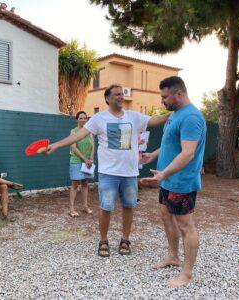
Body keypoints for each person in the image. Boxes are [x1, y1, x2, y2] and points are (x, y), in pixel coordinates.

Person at [46, 84, 169, 257]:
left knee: (129, 207)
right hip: (108, 173)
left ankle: (125, 239)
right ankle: (103, 241)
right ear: (107, 98)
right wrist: (57, 144)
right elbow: (78, 135)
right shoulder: (99, 118)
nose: (121, 97)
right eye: (117, 94)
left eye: (122, 94)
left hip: (130, 173)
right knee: (106, 207)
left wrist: (173, 112)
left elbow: (154, 121)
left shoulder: (134, 117)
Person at [140, 76, 206, 288]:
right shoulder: (175, 114)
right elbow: (171, 144)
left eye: (165, 96)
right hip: (167, 179)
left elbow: (187, 153)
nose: (162, 101)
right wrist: (153, 155)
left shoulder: (191, 118)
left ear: (179, 94)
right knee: (166, 216)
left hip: (180, 181)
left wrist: (163, 174)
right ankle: (172, 256)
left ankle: (187, 274)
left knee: (186, 225)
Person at [68, 111, 95, 217]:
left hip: (87, 162)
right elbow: (73, 148)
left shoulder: (89, 132)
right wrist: (84, 159)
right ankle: (71, 209)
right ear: (77, 119)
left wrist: (91, 159)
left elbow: (93, 146)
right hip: (76, 161)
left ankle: (85, 206)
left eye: (85, 118)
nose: (83, 120)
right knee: (75, 185)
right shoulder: (73, 131)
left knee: (84, 183)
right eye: (81, 118)